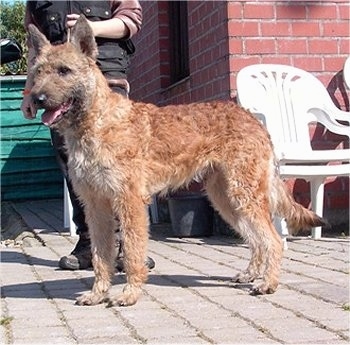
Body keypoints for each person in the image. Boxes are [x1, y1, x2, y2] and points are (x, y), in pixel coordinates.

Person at [21, 0, 155, 271]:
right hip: (56, 89)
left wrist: (92, 28)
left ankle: (127, 248)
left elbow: (131, 21)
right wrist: (29, 91)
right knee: (76, 171)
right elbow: (34, 49)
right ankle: (88, 243)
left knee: (119, 174)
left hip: (106, 78)